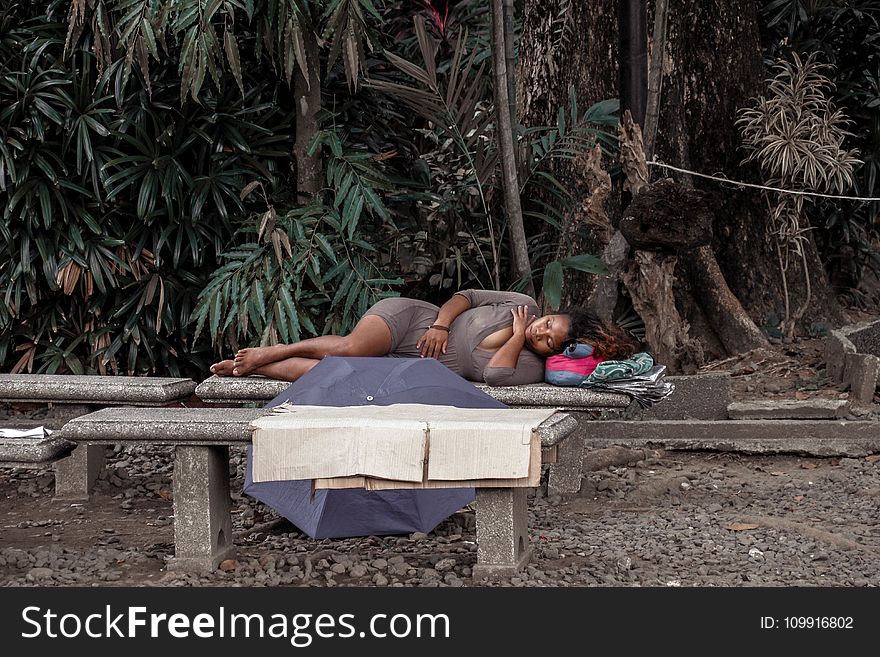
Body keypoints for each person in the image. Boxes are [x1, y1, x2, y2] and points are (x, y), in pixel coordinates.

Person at [209, 289, 638, 386]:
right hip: (414, 321)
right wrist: (440, 325)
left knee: (333, 372)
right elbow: (464, 296)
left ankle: (254, 370)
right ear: (552, 312)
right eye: (548, 322)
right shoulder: (521, 299)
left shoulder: (526, 365)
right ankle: (274, 350)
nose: (541, 331)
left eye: (548, 339)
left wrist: (516, 336)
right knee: (351, 348)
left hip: (410, 366)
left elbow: (494, 377)